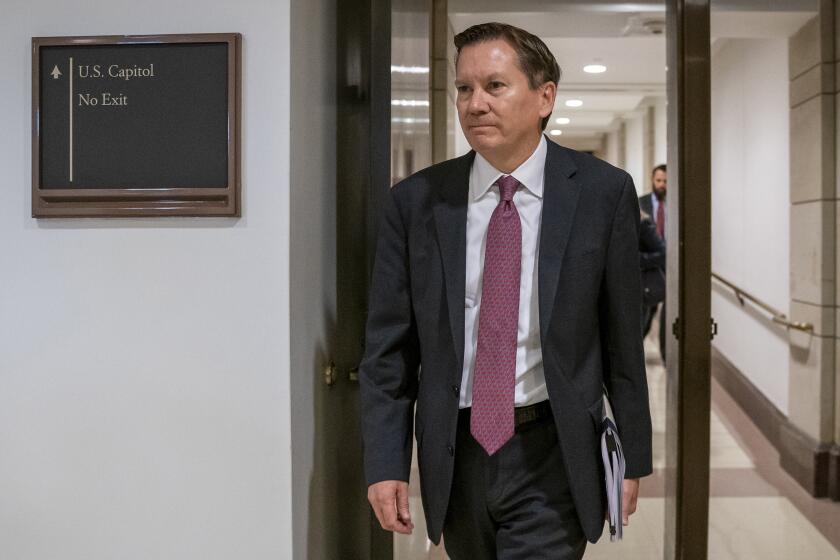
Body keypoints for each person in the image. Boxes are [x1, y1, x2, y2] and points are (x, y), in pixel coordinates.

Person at [359, 22, 652, 559]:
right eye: (465, 89)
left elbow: (621, 342)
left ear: (545, 97)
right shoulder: (418, 201)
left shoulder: (601, 192)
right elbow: (388, 349)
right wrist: (384, 462)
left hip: (555, 450)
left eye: (495, 86)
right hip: (455, 449)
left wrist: (633, 456)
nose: (475, 104)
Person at [639, 164, 667, 359]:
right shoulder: (640, 204)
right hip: (647, 272)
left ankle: (666, 356)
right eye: (659, 180)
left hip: (667, 267)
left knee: (665, 316)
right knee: (646, 314)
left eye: (666, 181)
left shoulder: (677, 204)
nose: (662, 185)